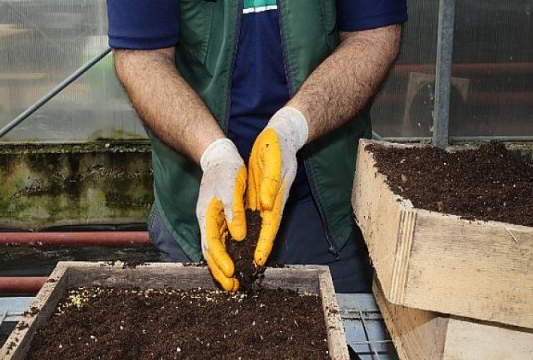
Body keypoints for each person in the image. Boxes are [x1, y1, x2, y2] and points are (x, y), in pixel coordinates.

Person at [107, 0, 407, 293]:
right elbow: (141, 57)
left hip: (325, 211)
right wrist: (213, 153)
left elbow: (373, 35)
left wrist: (293, 127)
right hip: (198, 203)